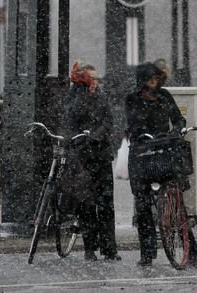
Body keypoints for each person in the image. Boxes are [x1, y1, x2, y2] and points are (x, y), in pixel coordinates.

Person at [124, 62, 197, 267]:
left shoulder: (165, 95)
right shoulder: (132, 99)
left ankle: (189, 250)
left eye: (156, 79)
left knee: (176, 203)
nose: (154, 83)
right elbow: (133, 122)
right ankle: (147, 253)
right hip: (143, 152)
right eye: (150, 79)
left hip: (164, 148)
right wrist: (141, 134)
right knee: (142, 204)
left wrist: (177, 129)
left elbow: (178, 118)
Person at [62, 61, 121, 261]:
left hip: (101, 155)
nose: (96, 81)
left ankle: (109, 248)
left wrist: (97, 135)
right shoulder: (75, 95)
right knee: (86, 204)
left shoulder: (100, 95)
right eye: (92, 77)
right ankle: (90, 247)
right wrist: (86, 94)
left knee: (106, 203)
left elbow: (108, 120)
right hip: (82, 157)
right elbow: (71, 116)